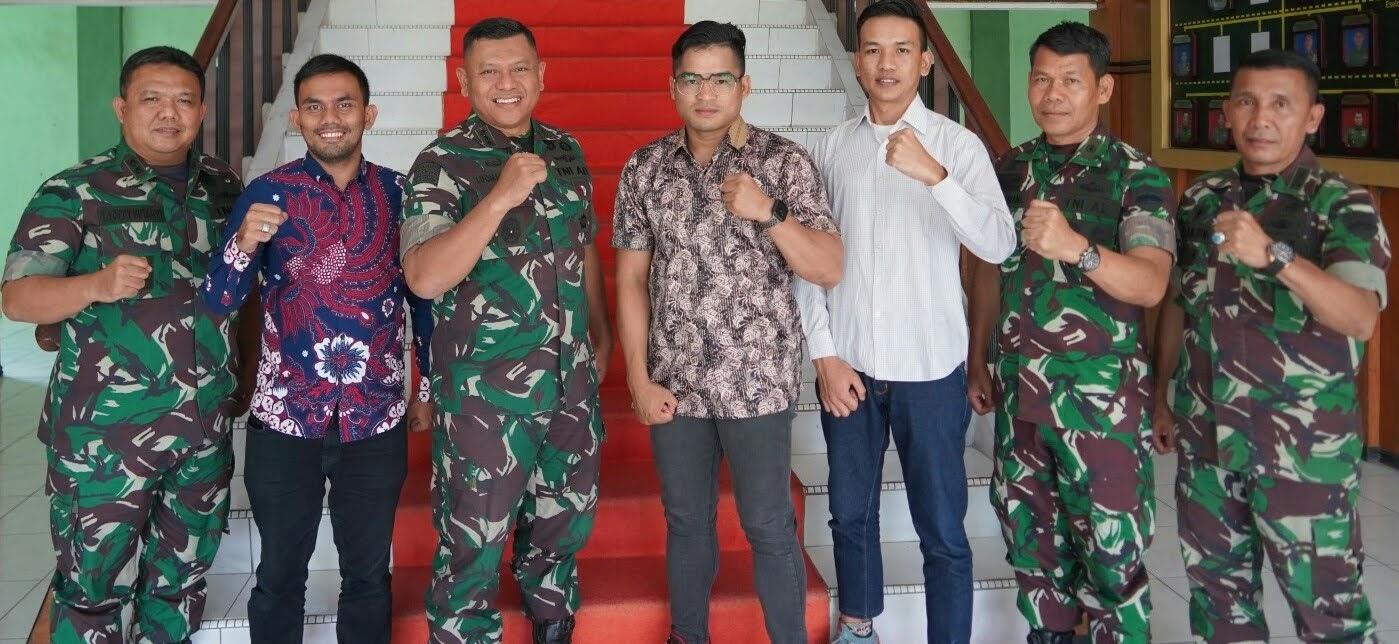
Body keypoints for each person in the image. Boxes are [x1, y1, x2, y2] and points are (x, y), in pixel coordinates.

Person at [1, 46, 246, 642]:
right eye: (151, 98)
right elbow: (18, 298)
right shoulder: (75, 190)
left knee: (180, 583)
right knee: (91, 590)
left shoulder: (222, 187)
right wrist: (94, 285)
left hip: (202, 430)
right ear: (122, 107)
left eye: (184, 100)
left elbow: (242, 288)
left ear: (202, 110)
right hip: (104, 438)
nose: (169, 113)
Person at [612, 20, 843, 644]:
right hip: (676, 384)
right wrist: (638, 379)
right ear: (672, 87)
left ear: (744, 85)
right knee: (686, 522)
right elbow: (630, 279)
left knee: (768, 525)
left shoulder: (783, 162)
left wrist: (769, 211)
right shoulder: (646, 168)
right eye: (692, 79)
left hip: (757, 384)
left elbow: (828, 266)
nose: (706, 92)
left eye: (720, 79)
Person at [793, 1, 1014, 642]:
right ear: (857, 58)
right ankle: (858, 627)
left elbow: (999, 243)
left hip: (931, 369)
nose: (885, 63)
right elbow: (809, 259)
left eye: (900, 50)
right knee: (848, 514)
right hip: (851, 367)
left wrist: (935, 176)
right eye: (872, 49)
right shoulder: (832, 147)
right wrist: (824, 355)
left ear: (924, 62)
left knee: (942, 527)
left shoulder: (956, 145)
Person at [1152, 48, 1388, 643]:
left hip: (1301, 452)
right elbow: (1180, 303)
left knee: (1330, 618)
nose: (1261, 118)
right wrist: (1160, 396)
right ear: (1228, 112)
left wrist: (1275, 257)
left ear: (1312, 117)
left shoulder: (1342, 203)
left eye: (1282, 104)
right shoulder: (1202, 200)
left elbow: (1359, 317)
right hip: (1208, 442)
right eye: (1248, 102)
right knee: (1219, 608)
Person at [200, 53, 434, 643]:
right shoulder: (266, 194)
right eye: (315, 106)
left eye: (344, 104)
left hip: (375, 419)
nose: (330, 118)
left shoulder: (400, 193)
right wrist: (243, 243)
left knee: (368, 576)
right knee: (279, 574)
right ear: (297, 119)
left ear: (368, 114)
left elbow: (424, 302)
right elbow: (220, 300)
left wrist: (426, 387)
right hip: (284, 420)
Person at [398, 17, 613, 644]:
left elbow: (583, 250)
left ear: (541, 75)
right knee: (474, 539)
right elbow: (424, 276)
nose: (506, 82)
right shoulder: (440, 162)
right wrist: (498, 197)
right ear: (464, 81)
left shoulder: (565, 151)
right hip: (485, 398)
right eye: (488, 71)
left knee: (563, 525)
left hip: (569, 384)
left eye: (519, 68)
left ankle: (552, 623)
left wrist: (600, 337)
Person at [967, 21, 1176, 644]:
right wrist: (978, 357)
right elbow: (987, 268)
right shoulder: (1011, 169)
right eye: (1041, 79)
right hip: (1021, 401)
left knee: (1112, 560)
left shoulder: (1135, 175)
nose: (1052, 94)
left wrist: (1077, 248)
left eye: (1070, 81)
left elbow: (1150, 283)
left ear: (1103, 89)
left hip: (1099, 410)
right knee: (1033, 552)